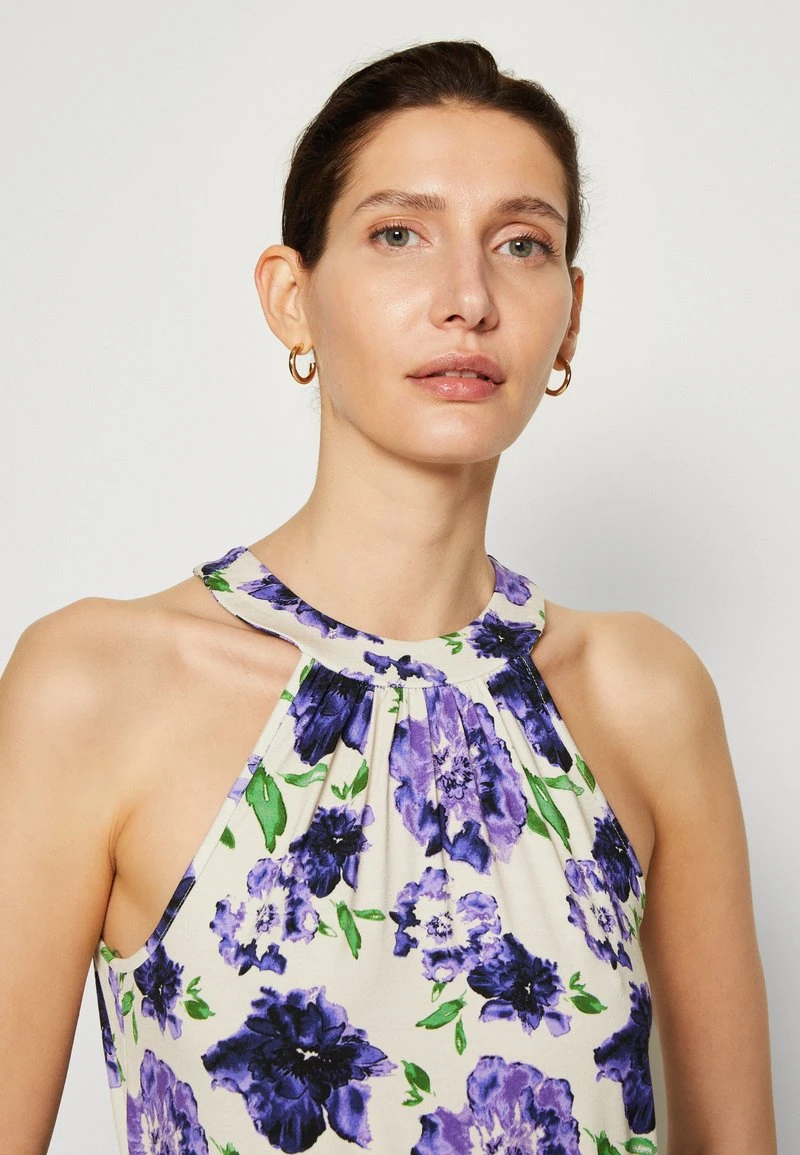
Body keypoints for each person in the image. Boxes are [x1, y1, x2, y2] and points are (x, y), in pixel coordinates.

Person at [0, 38, 777, 1155]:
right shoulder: (95, 686)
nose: (467, 299)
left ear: (569, 313)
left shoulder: (645, 694)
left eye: (520, 244)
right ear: (292, 298)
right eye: (399, 234)